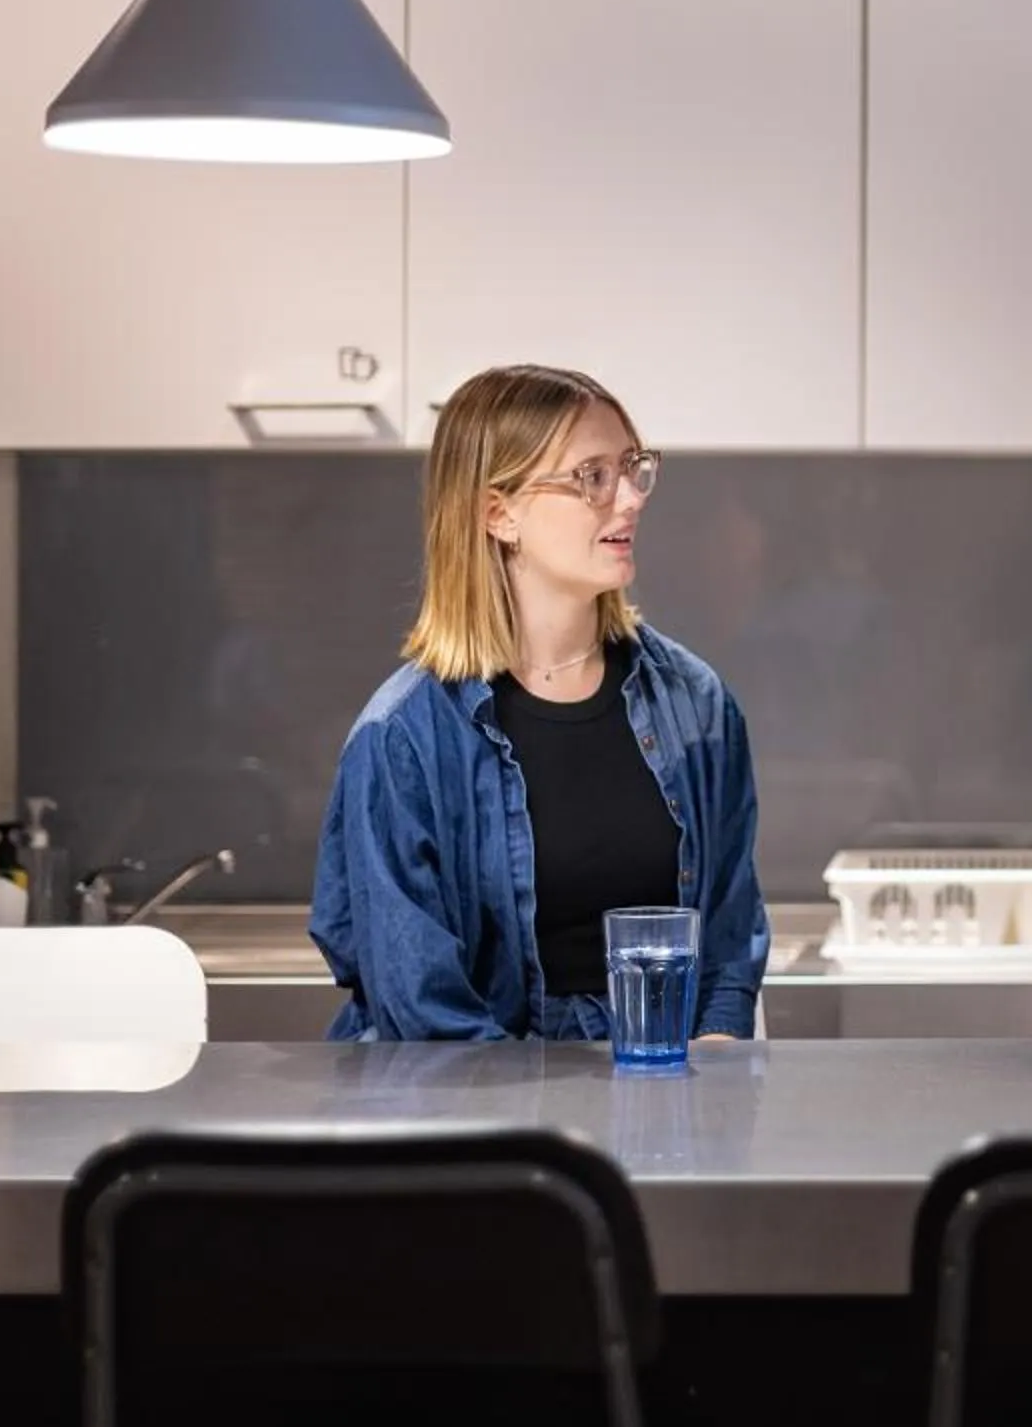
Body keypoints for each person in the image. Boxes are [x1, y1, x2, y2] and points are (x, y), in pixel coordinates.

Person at [310, 363, 766, 1044]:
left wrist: (708, 1065)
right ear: (499, 513)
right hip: (473, 1124)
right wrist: (567, 1115)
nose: (630, 499)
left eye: (632, 467)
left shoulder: (695, 702)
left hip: (660, 1113)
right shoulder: (401, 737)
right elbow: (421, 1012)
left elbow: (730, 933)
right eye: (592, 478)